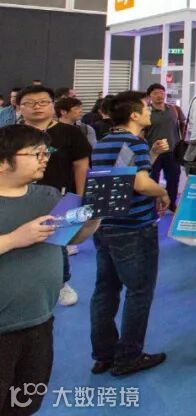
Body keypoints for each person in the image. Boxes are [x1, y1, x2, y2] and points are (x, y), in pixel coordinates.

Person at [0, 124, 99, 414]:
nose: (45, 159)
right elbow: (18, 239)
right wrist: (14, 239)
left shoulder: (47, 196)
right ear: (3, 161)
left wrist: (93, 219)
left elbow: (72, 237)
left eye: (47, 152)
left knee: (25, 403)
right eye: (36, 153)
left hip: (40, 321)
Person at [89, 91, 171, 377]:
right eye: (145, 108)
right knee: (139, 291)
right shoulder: (134, 142)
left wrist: (152, 155)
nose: (150, 112)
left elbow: (123, 173)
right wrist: (162, 192)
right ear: (134, 115)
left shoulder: (105, 142)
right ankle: (129, 356)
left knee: (105, 290)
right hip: (134, 227)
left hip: (105, 224)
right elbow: (140, 184)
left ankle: (104, 354)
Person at [18, 85, 91, 308]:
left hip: (59, 197)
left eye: (43, 102)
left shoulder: (70, 133)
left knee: (57, 242)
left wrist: (80, 196)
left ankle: (61, 283)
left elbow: (81, 166)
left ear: (53, 105)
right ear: (20, 108)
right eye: (29, 103)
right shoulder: (11, 134)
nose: (37, 107)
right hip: (19, 196)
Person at [145, 84, 184, 210]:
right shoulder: (146, 112)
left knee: (173, 179)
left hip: (172, 151)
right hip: (153, 153)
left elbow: (182, 126)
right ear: (150, 96)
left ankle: (171, 203)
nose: (159, 95)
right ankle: (152, 206)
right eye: (156, 93)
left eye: (162, 92)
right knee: (152, 180)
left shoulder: (174, 109)